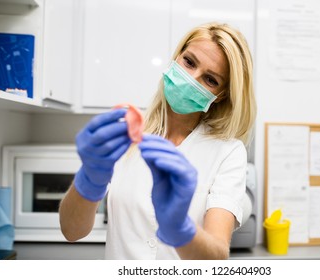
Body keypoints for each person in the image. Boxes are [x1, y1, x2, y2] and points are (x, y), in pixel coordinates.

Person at [59, 22, 257, 260]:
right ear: (176, 58)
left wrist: (179, 228)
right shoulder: (127, 132)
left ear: (220, 95)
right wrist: (88, 180)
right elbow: (72, 231)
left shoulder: (228, 151)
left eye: (210, 80)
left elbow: (216, 255)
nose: (191, 79)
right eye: (189, 62)